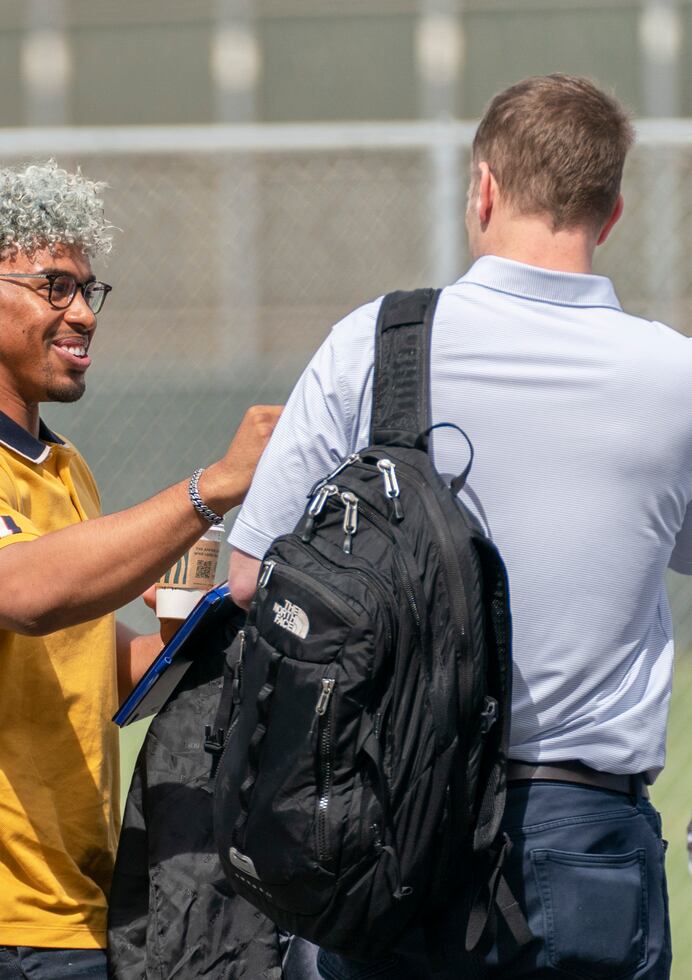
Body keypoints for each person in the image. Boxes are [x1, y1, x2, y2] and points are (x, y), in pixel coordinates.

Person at [228, 74, 692, 979]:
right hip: (585, 837)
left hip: (383, 827)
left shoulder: (376, 342)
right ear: (614, 212)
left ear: (482, 187)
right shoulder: (676, 375)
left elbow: (251, 580)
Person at [0, 159, 280, 979]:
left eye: (89, 291)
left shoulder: (62, 467)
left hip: (68, 918)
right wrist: (211, 489)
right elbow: (26, 593)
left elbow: (88, 668)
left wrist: (215, 633)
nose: (83, 313)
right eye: (54, 286)